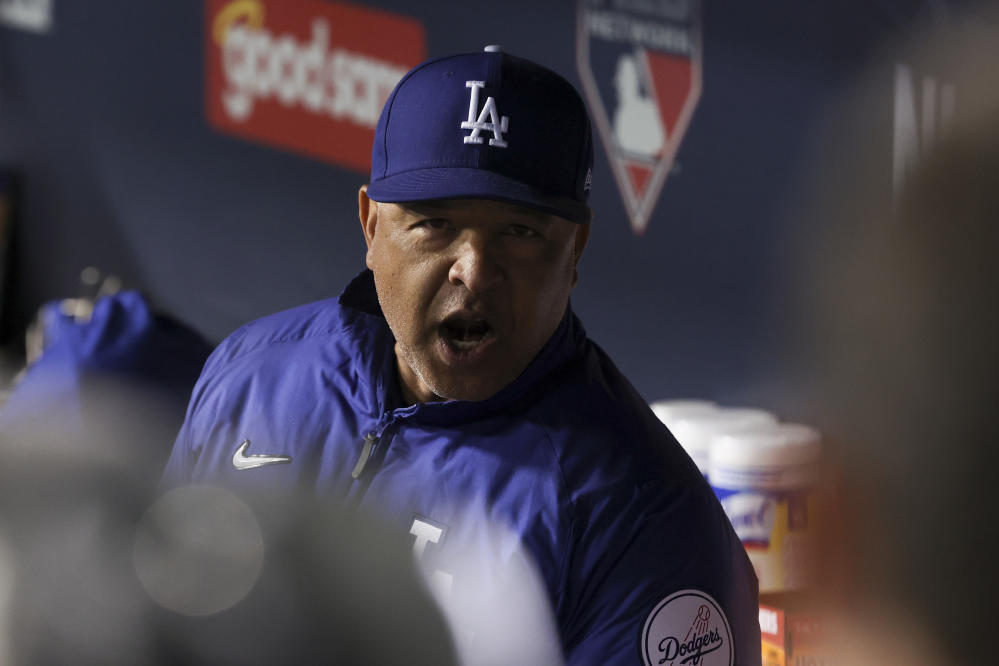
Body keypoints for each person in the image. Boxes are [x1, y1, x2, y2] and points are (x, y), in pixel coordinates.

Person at [164, 46, 760, 665]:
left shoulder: (641, 516)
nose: (474, 272)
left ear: (575, 249)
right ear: (372, 227)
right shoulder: (252, 374)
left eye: (521, 233)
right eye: (436, 224)